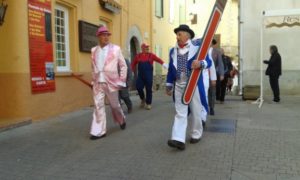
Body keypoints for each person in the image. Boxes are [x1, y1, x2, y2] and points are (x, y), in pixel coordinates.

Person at [166, 24, 212, 150]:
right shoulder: (172, 51)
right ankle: (178, 138)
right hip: (179, 85)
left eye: (179, 34)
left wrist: (200, 63)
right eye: (177, 34)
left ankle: (196, 134)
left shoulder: (198, 49)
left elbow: (209, 62)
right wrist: (169, 84)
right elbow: (171, 69)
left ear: (187, 35)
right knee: (180, 112)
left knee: (196, 110)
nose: (177, 36)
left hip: (193, 84)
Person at [89, 25, 127, 140]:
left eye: (107, 35)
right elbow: (93, 66)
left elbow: (123, 65)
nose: (106, 37)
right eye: (103, 35)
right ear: (98, 37)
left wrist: (121, 80)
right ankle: (99, 132)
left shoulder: (116, 49)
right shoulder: (93, 50)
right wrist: (93, 80)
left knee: (115, 106)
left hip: (112, 83)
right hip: (98, 83)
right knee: (98, 106)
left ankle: (121, 119)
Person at [131, 43, 168, 110]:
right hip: (140, 76)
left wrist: (164, 64)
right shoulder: (138, 56)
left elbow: (158, 59)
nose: (147, 48)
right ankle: (143, 99)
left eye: (148, 47)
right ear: (142, 48)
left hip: (148, 76)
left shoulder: (151, 55)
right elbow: (133, 64)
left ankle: (148, 103)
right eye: (146, 47)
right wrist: (131, 71)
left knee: (148, 89)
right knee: (138, 87)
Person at [208, 39, 224, 115]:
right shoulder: (202, 51)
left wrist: (221, 74)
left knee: (212, 92)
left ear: (212, 43)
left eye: (210, 41)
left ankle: (211, 107)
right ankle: (204, 107)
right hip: (203, 74)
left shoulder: (217, 51)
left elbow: (220, 63)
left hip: (212, 74)